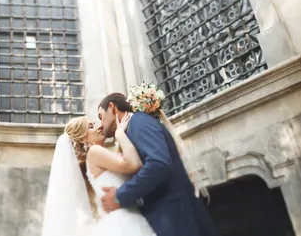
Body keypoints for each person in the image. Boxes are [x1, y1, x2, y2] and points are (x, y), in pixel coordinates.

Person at [97, 92, 219, 236]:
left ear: (112, 107)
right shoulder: (130, 129)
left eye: (101, 117)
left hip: (174, 219)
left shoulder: (138, 122)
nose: (100, 124)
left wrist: (120, 195)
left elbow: (158, 164)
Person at [40, 114, 155, 236]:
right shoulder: (94, 152)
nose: (99, 126)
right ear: (83, 139)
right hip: (123, 222)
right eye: (91, 126)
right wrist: (120, 133)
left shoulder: (102, 156)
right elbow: (133, 164)